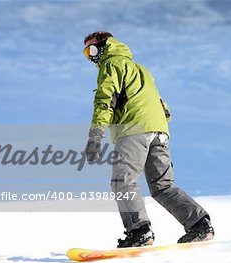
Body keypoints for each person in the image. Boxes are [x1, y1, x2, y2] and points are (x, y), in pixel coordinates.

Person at [82, 31, 214, 248]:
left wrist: (95, 136)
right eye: (87, 54)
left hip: (134, 128)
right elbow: (163, 107)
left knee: (122, 181)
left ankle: (139, 231)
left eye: (93, 50)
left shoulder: (111, 65)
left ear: (106, 46)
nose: (92, 57)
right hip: (159, 130)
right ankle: (199, 224)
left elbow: (105, 101)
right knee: (163, 186)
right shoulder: (141, 70)